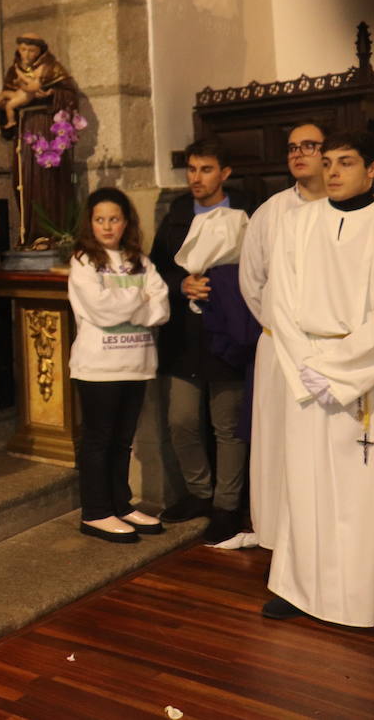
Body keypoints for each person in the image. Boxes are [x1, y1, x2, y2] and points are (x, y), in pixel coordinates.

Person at [262, 130, 374, 647]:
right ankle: (299, 588)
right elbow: (280, 300)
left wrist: (339, 367)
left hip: (367, 378)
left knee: (370, 494)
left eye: (347, 162)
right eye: (328, 161)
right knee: (305, 483)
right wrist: (308, 366)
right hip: (307, 375)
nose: (332, 171)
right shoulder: (298, 223)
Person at [150, 139, 253, 546]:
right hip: (183, 338)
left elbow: (261, 268)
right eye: (191, 169)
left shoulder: (246, 211)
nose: (196, 178)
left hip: (228, 334)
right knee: (181, 421)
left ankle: (226, 507)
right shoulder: (176, 213)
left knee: (227, 426)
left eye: (206, 169)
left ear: (224, 173)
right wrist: (182, 283)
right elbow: (156, 269)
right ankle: (199, 493)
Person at [238, 121, 326, 550]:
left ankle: (321, 533)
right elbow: (252, 281)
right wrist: (281, 327)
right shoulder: (271, 211)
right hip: (278, 346)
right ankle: (274, 534)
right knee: (275, 440)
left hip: (331, 351)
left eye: (308, 145)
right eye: (292, 146)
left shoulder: (357, 209)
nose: (298, 153)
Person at [66, 188, 170, 543]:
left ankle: (120, 505)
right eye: (100, 220)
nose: (107, 226)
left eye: (114, 219)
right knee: (99, 440)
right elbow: (101, 311)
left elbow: (162, 307)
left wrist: (129, 302)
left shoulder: (139, 260)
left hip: (137, 363)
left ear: (126, 222)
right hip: (98, 367)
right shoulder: (83, 261)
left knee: (123, 441)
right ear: (90, 223)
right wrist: (138, 299)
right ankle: (96, 512)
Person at [0, 33, 79, 245]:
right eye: (23, 49)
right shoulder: (14, 71)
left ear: (41, 51)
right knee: (24, 181)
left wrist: (50, 96)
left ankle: (51, 234)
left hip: (46, 128)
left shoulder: (52, 68)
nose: (26, 54)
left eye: (31, 50)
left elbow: (70, 96)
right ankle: (29, 234)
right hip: (24, 130)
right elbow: (6, 99)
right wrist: (7, 107)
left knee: (47, 181)